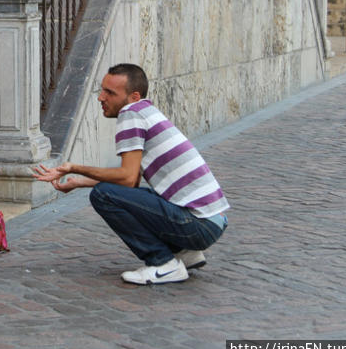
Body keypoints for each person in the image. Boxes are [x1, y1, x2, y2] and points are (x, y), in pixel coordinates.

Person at [33, 63, 229, 285]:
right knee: (123, 193)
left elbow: (125, 178)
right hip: (212, 221)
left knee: (103, 195)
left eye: (110, 93)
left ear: (134, 96)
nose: (101, 98)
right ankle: (184, 253)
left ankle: (163, 263)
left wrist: (73, 167)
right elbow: (132, 180)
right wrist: (78, 182)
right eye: (102, 90)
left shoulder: (130, 114)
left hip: (199, 225)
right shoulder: (145, 111)